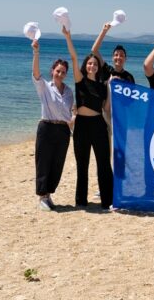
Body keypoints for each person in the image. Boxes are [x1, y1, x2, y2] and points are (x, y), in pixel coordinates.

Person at [62, 26, 113, 209]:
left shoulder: (101, 85)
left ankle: (108, 201)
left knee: (103, 164)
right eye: (90, 63)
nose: (92, 65)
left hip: (98, 125)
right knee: (82, 165)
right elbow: (74, 57)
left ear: (98, 68)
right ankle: (81, 201)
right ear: (86, 66)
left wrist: (109, 87)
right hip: (81, 126)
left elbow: (106, 108)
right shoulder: (79, 80)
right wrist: (68, 37)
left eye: (95, 64)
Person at [30, 37, 75, 212]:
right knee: (43, 162)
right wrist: (36, 52)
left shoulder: (69, 91)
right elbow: (35, 73)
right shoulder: (44, 87)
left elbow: (71, 111)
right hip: (46, 128)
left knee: (57, 164)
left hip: (63, 130)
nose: (60, 74)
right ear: (52, 71)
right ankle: (42, 197)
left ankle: (49, 194)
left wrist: (73, 122)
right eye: (58, 71)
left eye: (63, 72)